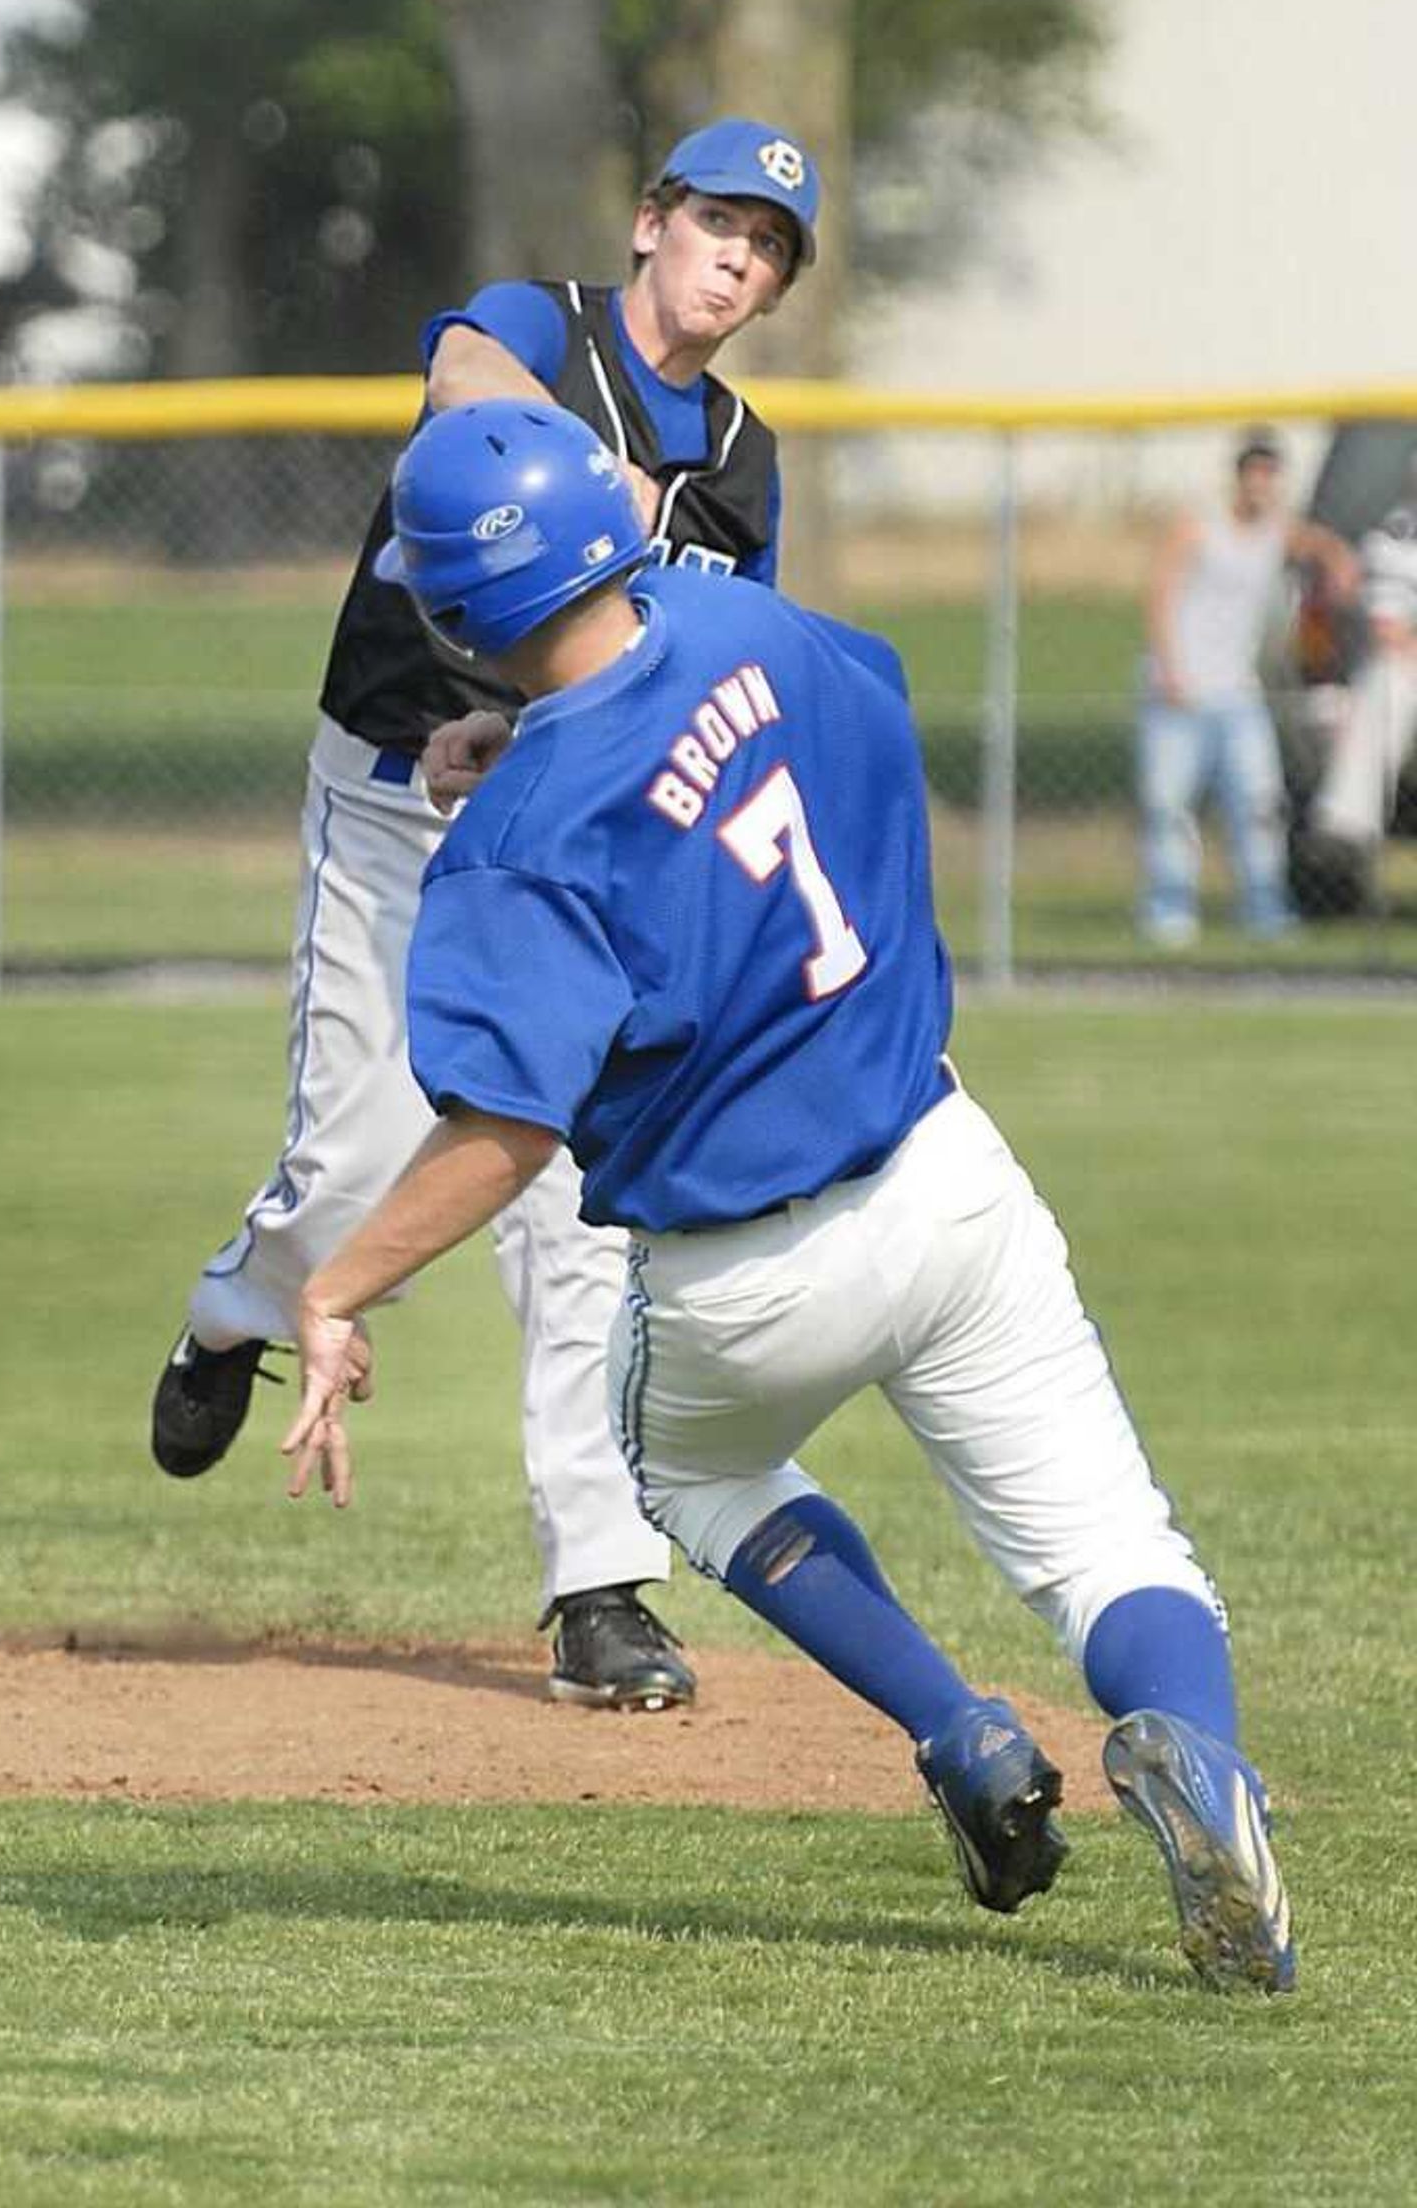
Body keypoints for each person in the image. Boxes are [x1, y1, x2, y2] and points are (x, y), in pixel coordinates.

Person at [279, 398, 1296, 1996]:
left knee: (686, 1470)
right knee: (1107, 1543)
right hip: (944, 1176)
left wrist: (334, 1292)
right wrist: (546, 736)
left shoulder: (520, 846)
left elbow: (503, 1126)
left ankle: (959, 1731)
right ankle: (1207, 1763)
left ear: (447, 610)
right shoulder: (743, 617)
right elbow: (807, 725)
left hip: (742, 1279)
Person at [151, 119, 823, 1713]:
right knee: (356, 1159)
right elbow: (460, 385)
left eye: (772, 244)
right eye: (720, 220)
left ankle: (601, 1589)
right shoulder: (543, 327)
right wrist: (599, 486)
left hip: (568, 833)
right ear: (652, 218)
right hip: (390, 795)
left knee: (576, 1217)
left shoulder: (740, 462)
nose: (740, 256)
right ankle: (239, 1308)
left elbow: (706, 651)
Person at [1137, 426, 1356, 945]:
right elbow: (1161, 596)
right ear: (1238, 478)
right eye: (1253, 474)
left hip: (1237, 691)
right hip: (1182, 689)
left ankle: (1263, 905)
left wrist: (1340, 562)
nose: (1261, 486)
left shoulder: (1276, 533)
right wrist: (1171, 668)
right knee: (1169, 803)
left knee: (1258, 803)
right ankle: (1169, 908)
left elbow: (1320, 545)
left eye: (1270, 476)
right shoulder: (1198, 528)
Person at [1306, 446, 1417, 888]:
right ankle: (1345, 827)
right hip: (1405, 670)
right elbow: (1388, 630)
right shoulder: (1394, 540)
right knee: (1388, 682)